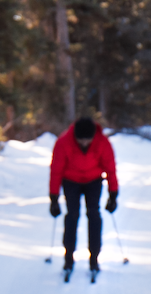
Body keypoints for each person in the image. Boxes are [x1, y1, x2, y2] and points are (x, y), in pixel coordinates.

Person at [48, 116, 119, 277]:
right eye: (82, 141)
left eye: (88, 141)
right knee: (72, 215)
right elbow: (56, 170)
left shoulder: (102, 143)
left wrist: (113, 194)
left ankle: (94, 258)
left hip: (93, 181)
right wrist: (54, 198)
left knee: (94, 214)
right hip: (70, 181)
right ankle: (68, 258)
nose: (85, 144)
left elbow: (110, 168)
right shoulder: (63, 142)